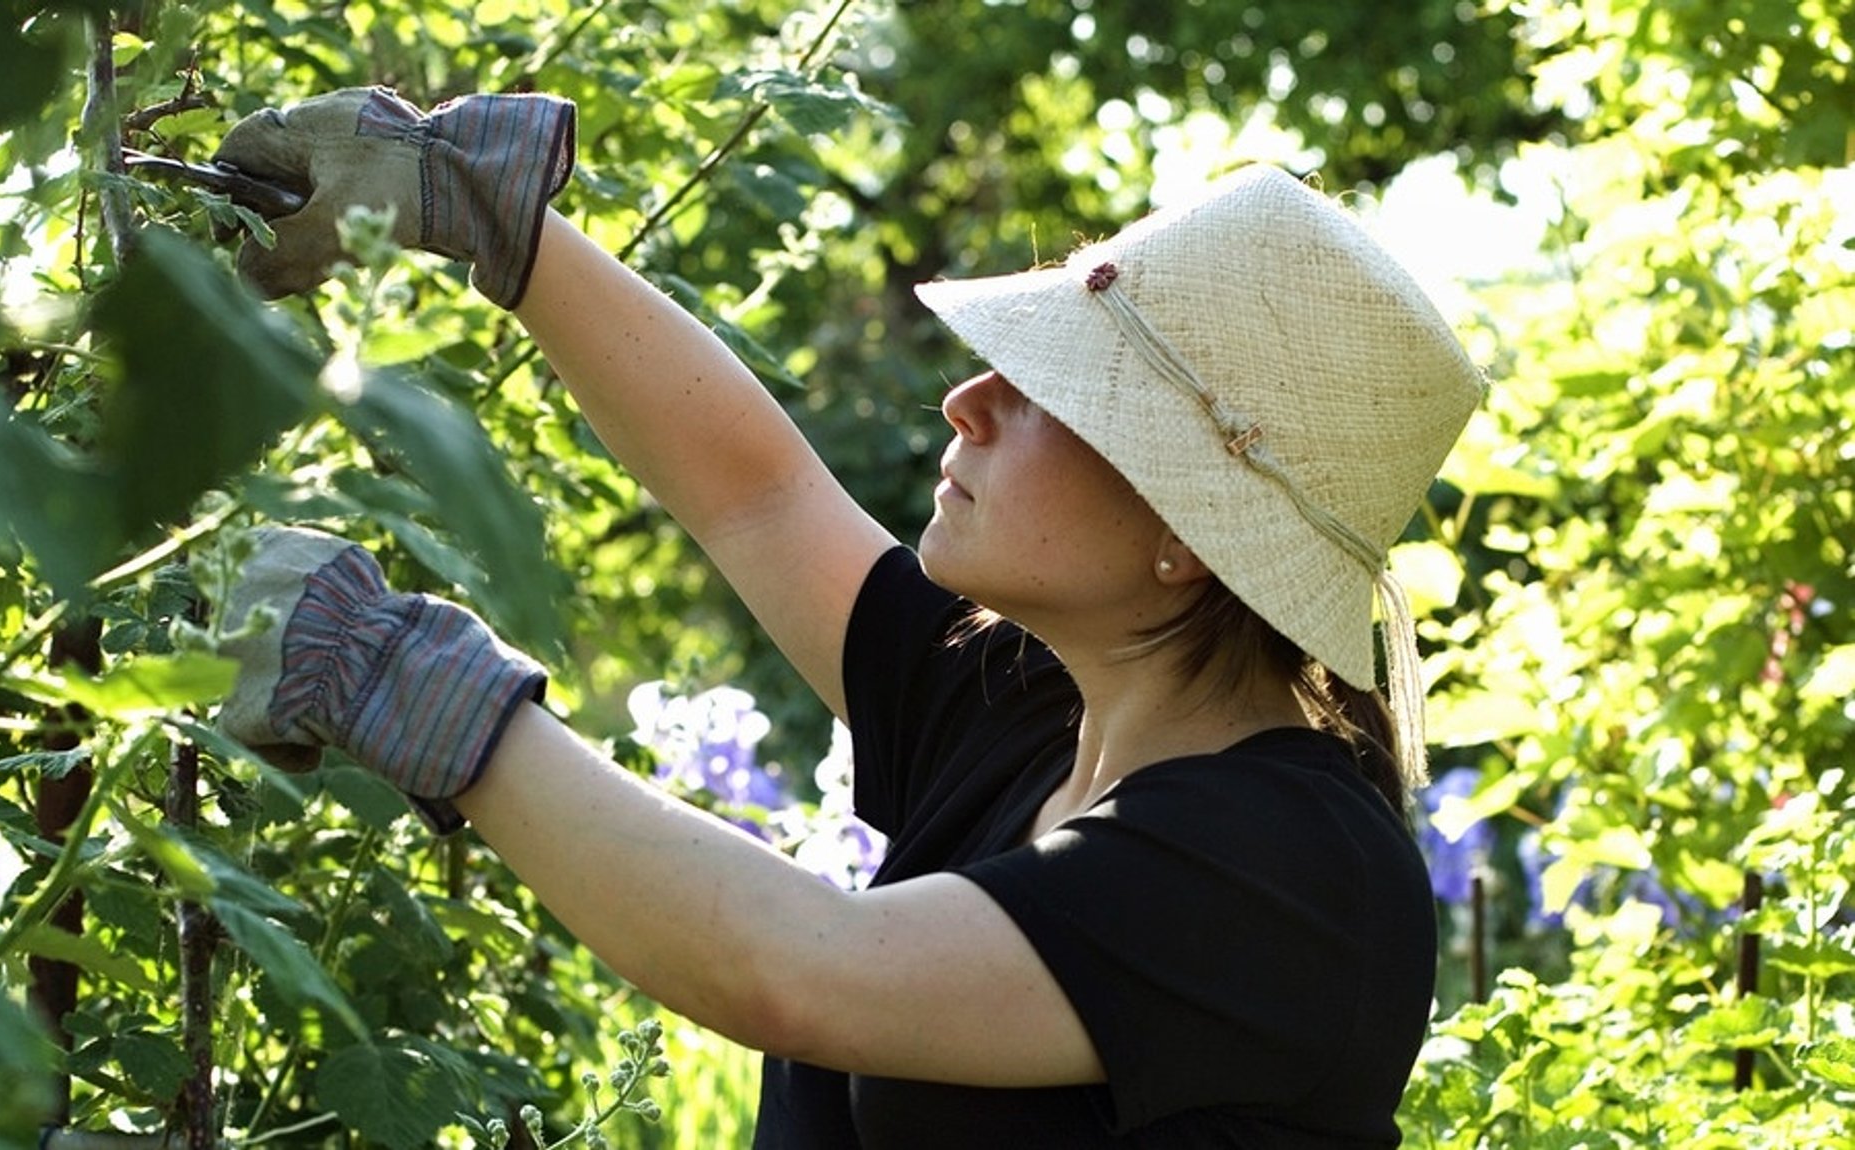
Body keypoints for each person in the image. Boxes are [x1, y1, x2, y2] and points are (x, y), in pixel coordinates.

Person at [209, 86, 1484, 1148]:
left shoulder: (1289, 869)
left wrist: (402, 678)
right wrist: (476, 206)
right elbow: (752, 497)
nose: (967, 402)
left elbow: (799, 969)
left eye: (1047, 392)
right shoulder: (1035, 708)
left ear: (1180, 538)